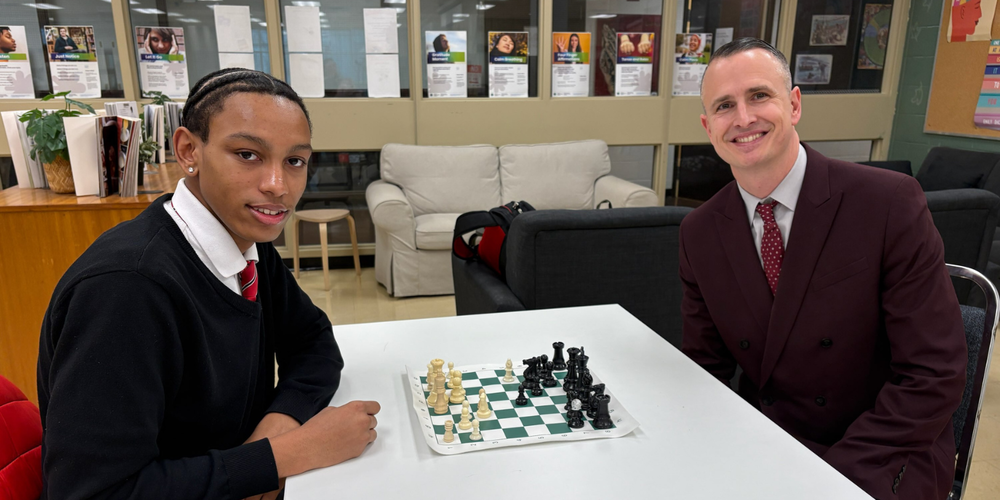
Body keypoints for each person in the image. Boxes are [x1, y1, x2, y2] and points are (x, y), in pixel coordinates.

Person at [37, 68, 380, 500]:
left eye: (294, 161)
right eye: (247, 154)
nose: (277, 186)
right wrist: (288, 455)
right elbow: (93, 491)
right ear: (188, 151)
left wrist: (275, 436)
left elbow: (313, 343)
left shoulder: (244, 242)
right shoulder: (127, 288)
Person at [679, 38, 966, 500]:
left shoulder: (887, 203)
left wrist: (832, 476)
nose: (744, 118)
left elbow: (934, 371)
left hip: (879, 453)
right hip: (770, 446)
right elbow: (705, 369)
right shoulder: (700, 231)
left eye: (759, 96)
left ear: (793, 104)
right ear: (708, 125)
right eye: (725, 106)